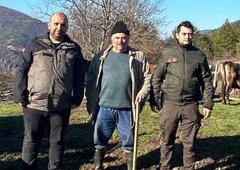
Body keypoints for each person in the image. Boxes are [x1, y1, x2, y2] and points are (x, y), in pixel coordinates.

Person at [13, 12, 86, 170]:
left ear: (67, 27)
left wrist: (77, 98)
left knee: (57, 142)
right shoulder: (35, 44)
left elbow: (79, 76)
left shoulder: (74, 49)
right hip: (34, 104)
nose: (59, 28)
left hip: (61, 106)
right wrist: (19, 95)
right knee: (31, 141)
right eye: (56, 24)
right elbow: (20, 69)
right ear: (49, 25)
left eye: (63, 25)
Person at [85, 21, 152, 170]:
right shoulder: (100, 57)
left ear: (128, 38)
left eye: (123, 38)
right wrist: (90, 98)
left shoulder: (138, 56)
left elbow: (147, 77)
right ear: (111, 38)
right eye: (117, 38)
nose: (120, 41)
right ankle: (98, 165)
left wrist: (142, 93)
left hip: (127, 108)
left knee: (129, 140)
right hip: (104, 106)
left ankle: (131, 166)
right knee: (100, 138)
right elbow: (90, 78)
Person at [151, 20, 214, 170]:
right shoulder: (167, 52)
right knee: (167, 140)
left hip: (190, 105)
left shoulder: (199, 55)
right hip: (170, 104)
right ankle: (165, 166)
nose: (187, 37)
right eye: (184, 34)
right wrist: (154, 100)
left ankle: (189, 167)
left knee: (189, 143)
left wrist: (208, 103)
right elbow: (156, 78)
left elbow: (207, 80)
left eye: (190, 34)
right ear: (177, 34)